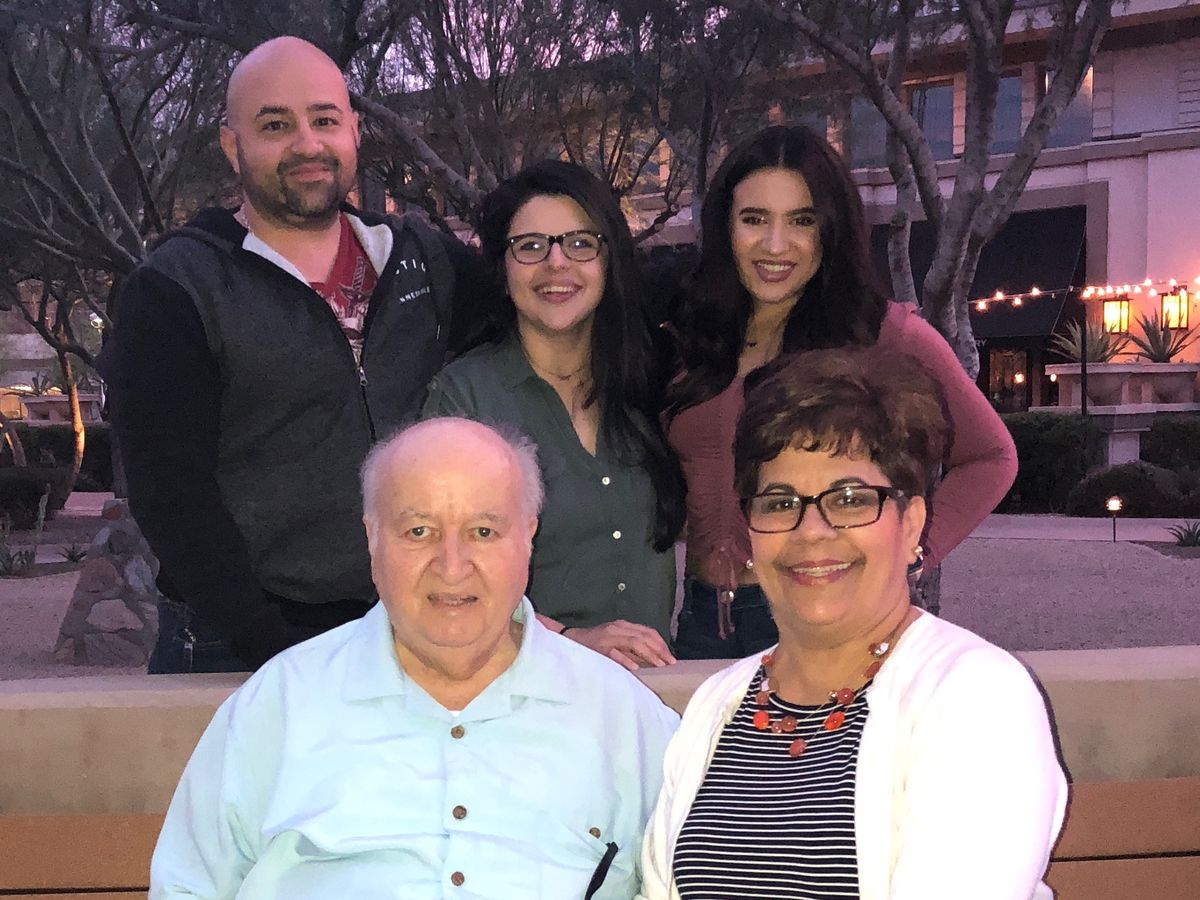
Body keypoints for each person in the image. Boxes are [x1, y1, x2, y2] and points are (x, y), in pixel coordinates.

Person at [150, 418, 679, 899]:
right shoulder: (279, 706)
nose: (452, 566)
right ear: (372, 538)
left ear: (528, 537)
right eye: (419, 531)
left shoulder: (623, 719)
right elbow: (185, 889)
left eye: (483, 532)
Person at [98, 36, 485, 673]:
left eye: (324, 120)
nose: (307, 144)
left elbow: (544, 319)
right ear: (233, 146)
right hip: (238, 646)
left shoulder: (423, 259)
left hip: (404, 630)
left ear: (354, 131)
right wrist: (266, 644)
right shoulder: (178, 287)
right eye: (275, 125)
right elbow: (170, 492)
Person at [638, 347, 1066, 900]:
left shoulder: (976, 694)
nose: (811, 531)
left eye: (849, 499)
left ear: (910, 525)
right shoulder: (718, 706)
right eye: (779, 503)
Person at [664, 125, 1018, 659]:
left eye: (802, 221)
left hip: (830, 616)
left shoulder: (882, 334)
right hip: (700, 621)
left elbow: (991, 456)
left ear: (831, 230)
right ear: (724, 226)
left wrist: (911, 554)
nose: (775, 245)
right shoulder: (693, 336)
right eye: (754, 219)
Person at [422, 161, 685, 671]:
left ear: (608, 261)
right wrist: (568, 639)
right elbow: (436, 574)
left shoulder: (648, 381)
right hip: (523, 688)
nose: (557, 263)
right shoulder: (465, 401)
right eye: (531, 246)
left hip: (651, 693)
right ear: (502, 270)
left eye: (580, 243)